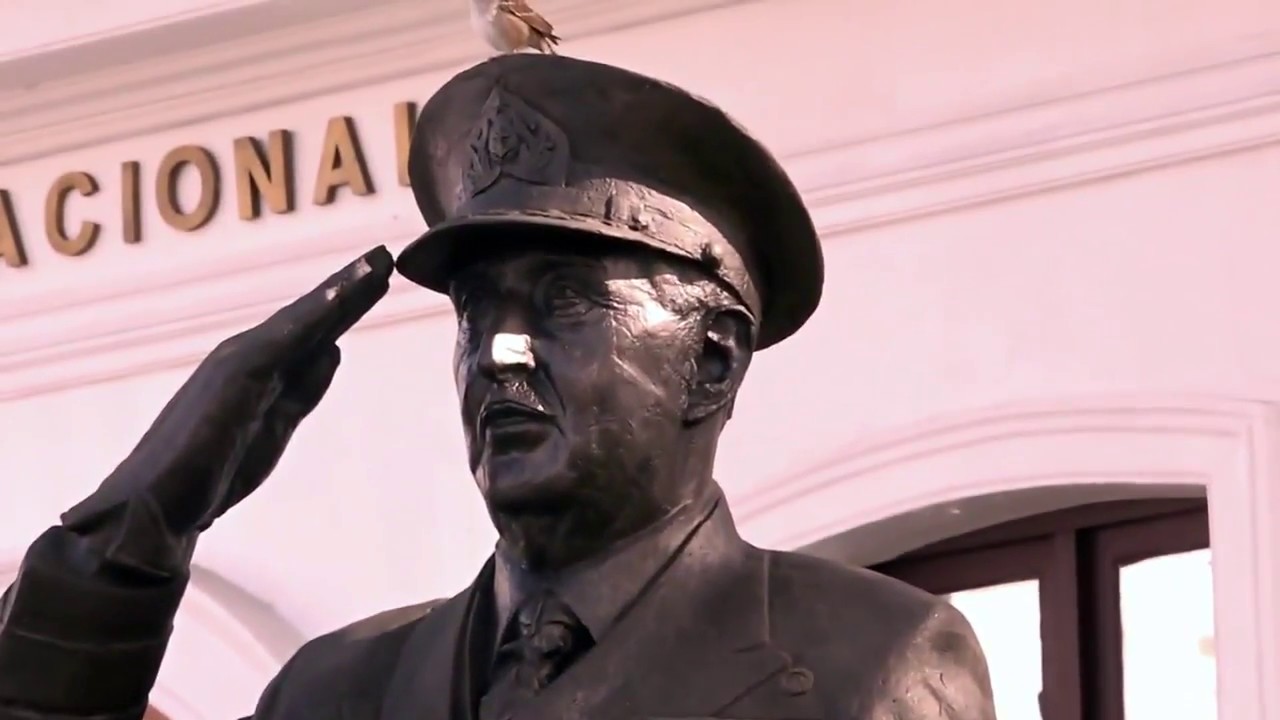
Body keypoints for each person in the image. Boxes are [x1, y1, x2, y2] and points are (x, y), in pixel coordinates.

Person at [0, 54, 997, 720]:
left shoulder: (867, 662)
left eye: (564, 301)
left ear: (712, 358)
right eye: (477, 309)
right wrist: (142, 526)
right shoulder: (339, 691)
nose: (499, 353)